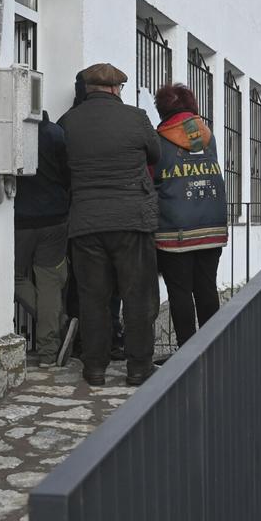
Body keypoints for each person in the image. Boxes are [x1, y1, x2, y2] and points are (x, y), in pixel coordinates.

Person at [59, 63, 162, 387]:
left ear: (88, 89)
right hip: (132, 219)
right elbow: (155, 153)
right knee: (138, 296)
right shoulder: (136, 118)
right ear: (117, 89)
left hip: (86, 221)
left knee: (93, 298)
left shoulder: (68, 122)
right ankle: (138, 367)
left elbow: (62, 169)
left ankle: (95, 369)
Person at [152, 84, 228, 347]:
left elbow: (151, 178)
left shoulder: (159, 139)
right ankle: (212, 347)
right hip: (211, 227)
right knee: (207, 288)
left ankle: (187, 350)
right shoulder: (208, 136)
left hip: (175, 228)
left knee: (180, 292)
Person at [14, 110, 71, 367]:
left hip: (20, 221)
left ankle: (60, 325)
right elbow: (68, 174)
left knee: (12, 277)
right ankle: (49, 351)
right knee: (49, 283)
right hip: (55, 219)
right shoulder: (55, 133)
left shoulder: (12, 131)